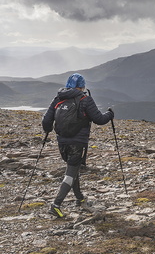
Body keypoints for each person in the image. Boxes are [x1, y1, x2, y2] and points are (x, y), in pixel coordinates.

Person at [42, 73, 114, 218]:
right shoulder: (85, 99)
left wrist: (48, 130)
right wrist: (110, 114)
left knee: (73, 169)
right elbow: (99, 119)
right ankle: (56, 205)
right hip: (78, 142)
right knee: (70, 173)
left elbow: (46, 122)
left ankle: (79, 198)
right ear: (82, 86)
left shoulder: (58, 98)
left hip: (62, 142)